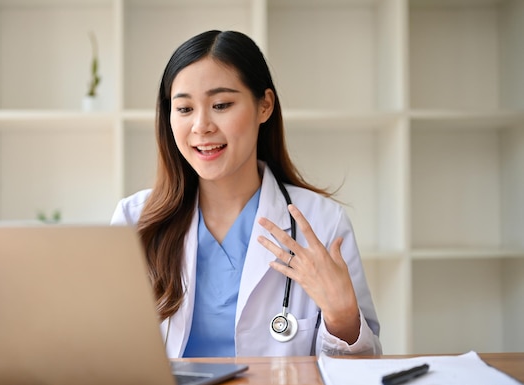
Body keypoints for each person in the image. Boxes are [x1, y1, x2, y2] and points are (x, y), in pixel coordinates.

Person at [111, 30, 381, 357]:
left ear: (264, 105)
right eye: (183, 109)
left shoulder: (322, 222)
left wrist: (341, 316)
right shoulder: (134, 220)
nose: (201, 126)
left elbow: (363, 369)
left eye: (221, 104)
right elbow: (109, 353)